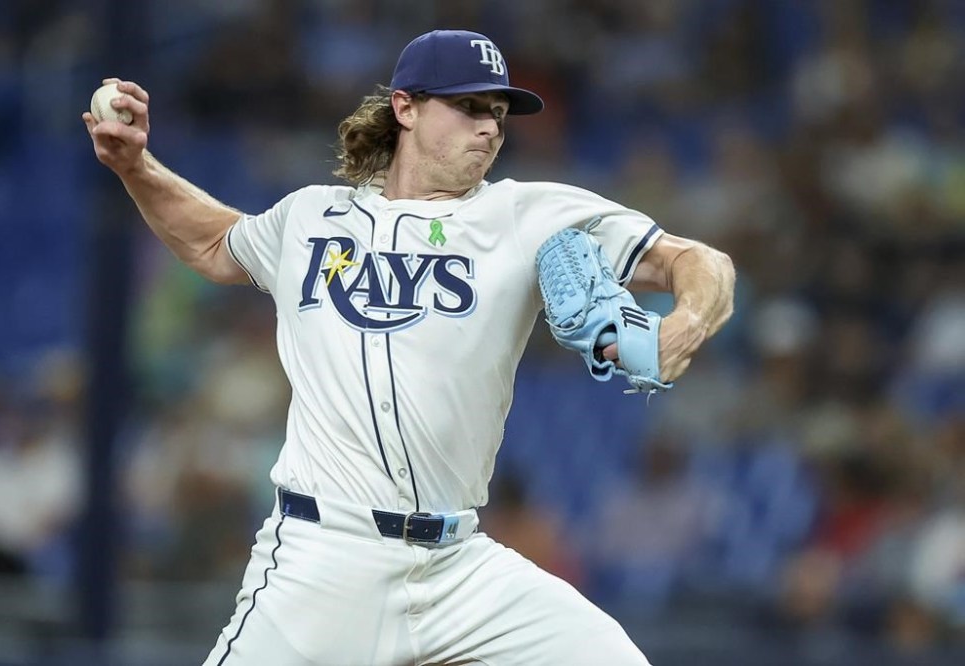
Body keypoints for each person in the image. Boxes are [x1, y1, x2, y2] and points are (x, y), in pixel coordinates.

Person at [84, 29, 735, 666]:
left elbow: (699, 262)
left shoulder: (529, 215)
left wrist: (685, 322)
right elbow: (210, 241)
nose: (490, 127)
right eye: (469, 106)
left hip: (458, 568)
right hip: (322, 560)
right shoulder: (311, 217)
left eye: (499, 113)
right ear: (406, 107)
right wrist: (134, 166)